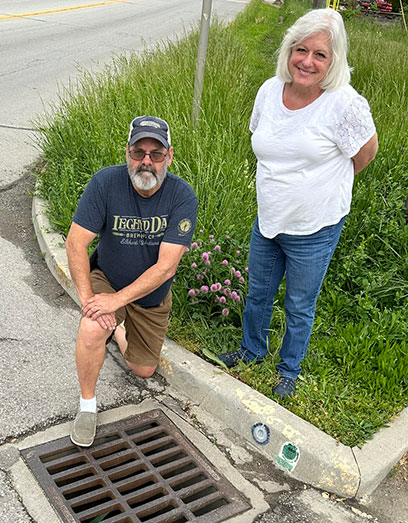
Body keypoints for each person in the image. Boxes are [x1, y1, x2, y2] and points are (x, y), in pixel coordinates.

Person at [219, 9, 378, 399]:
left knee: (299, 304)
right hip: (269, 218)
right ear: (288, 51)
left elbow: (365, 153)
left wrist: (326, 184)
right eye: (300, 49)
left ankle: (289, 370)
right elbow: (265, 143)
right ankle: (252, 350)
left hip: (314, 226)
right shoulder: (269, 90)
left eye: (320, 54)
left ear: (334, 59)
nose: (307, 61)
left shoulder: (344, 104)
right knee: (257, 292)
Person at [65, 116, 197, 446]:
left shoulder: (182, 196)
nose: (146, 162)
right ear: (128, 152)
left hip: (152, 296)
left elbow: (166, 268)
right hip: (108, 279)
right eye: (139, 152)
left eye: (156, 153)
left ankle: (119, 327)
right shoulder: (105, 183)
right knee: (93, 326)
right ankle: (87, 408)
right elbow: (75, 243)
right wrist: (90, 302)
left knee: (143, 370)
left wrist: (115, 304)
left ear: (169, 156)